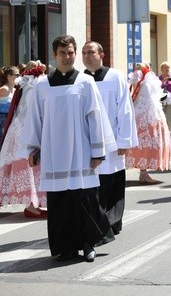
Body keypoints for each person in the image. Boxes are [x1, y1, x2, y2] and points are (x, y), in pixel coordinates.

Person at [20, 35, 117, 262]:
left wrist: (97, 152)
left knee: (84, 199)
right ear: (55, 55)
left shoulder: (85, 82)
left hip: (81, 152)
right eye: (63, 53)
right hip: (54, 154)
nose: (67, 56)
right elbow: (35, 119)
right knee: (60, 202)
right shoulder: (42, 85)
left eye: (71, 52)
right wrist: (33, 150)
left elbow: (95, 117)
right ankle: (66, 247)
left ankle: (88, 244)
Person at [82, 41, 138, 238]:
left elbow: (125, 109)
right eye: (84, 53)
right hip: (89, 141)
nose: (87, 56)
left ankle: (113, 221)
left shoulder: (115, 77)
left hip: (113, 140)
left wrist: (124, 140)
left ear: (102, 55)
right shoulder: (80, 79)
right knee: (94, 184)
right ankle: (100, 221)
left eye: (91, 52)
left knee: (112, 181)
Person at [0, 62, 46, 218]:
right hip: (25, 130)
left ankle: (33, 204)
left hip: (20, 128)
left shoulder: (24, 84)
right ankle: (32, 206)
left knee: (30, 167)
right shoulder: (33, 84)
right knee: (29, 166)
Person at [126, 63, 171, 182]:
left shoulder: (140, 81)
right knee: (146, 143)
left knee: (142, 143)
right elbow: (153, 98)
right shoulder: (147, 81)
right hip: (148, 114)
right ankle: (143, 173)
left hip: (140, 113)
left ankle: (143, 172)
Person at [0, 66, 19, 144]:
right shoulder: (4, 89)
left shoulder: (15, 90)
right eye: (17, 75)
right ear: (9, 76)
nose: (19, 77)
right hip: (2, 121)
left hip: (11, 120)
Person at [158, 62, 171, 132]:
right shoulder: (158, 78)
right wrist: (163, 82)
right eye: (165, 67)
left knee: (170, 118)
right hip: (161, 100)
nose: (167, 69)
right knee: (162, 118)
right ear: (161, 69)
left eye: (168, 67)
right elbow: (157, 89)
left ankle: (170, 132)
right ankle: (163, 132)